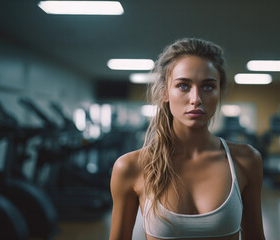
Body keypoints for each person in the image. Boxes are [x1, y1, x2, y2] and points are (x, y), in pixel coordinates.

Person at [109, 38, 266, 240]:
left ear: (219, 92)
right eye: (183, 86)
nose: (196, 99)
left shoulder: (246, 160)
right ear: (165, 92)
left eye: (208, 87)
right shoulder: (131, 167)